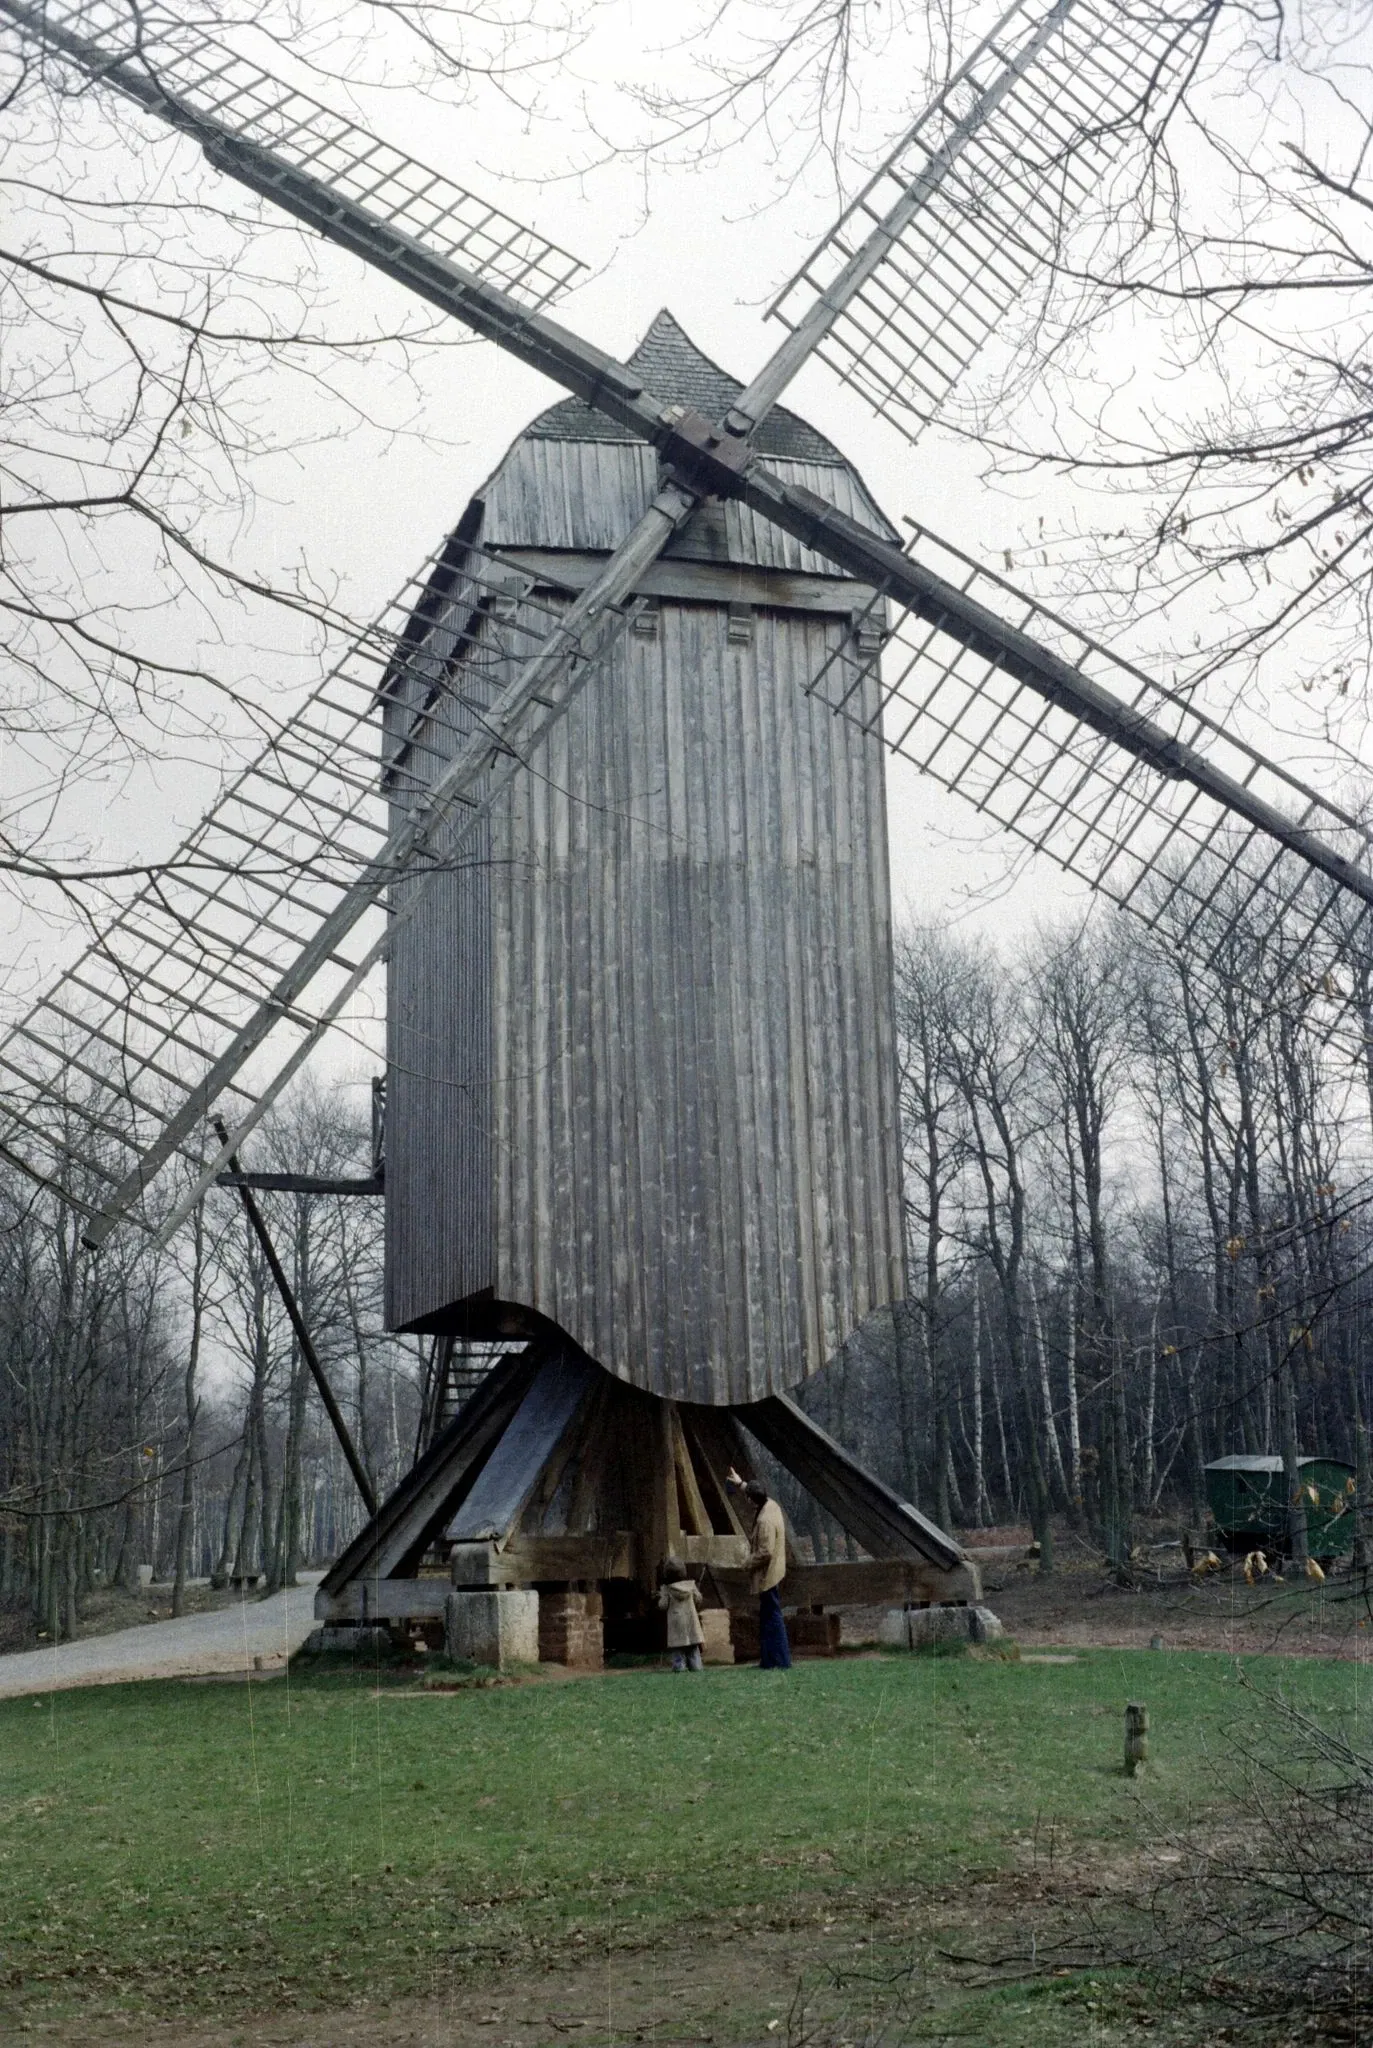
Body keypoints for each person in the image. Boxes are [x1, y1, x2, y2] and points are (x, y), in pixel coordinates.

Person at [727, 1469, 792, 1670]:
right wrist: (740, 1484)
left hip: (768, 1576)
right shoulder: (771, 1505)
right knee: (768, 1617)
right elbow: (757, 1494)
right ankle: (769, 1661)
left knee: (772, 1618)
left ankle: (781, 1661)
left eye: (748, 1498)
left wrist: (746, 1563)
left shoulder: (764, 1521)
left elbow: (765, 1552)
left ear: (752, 1501)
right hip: (774, 1572)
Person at [658, 1557, 705, 1672]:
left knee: (678, 1648)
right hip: (691, 1622)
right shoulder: (691, 1586)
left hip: (676, 1624)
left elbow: (663, 1606)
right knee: (693, 1647)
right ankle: (696, 1666)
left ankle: (679, 1668)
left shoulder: (667, 1589)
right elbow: (698, 1599)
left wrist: (661, 1596)